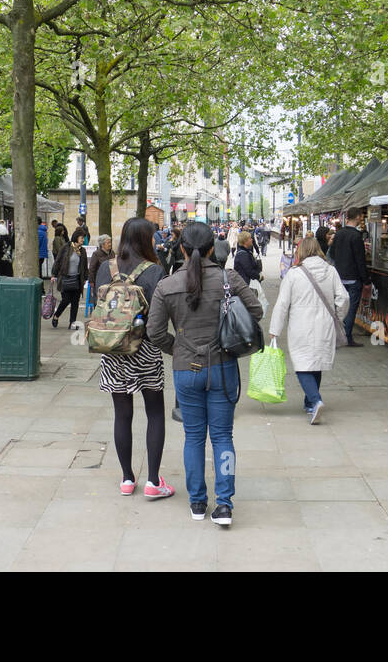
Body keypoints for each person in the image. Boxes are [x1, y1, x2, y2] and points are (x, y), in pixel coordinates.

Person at [147, 222, 262, 527]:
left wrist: (180, 347)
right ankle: (224, 505)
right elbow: (257, 311)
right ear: (213, 248)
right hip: (223, 368)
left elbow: (154, 332)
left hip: (186, 369)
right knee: (223, 436)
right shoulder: (229, 278)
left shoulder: (166, 285)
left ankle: (197, 501)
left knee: (193, 437)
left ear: (181, 248)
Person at [96, 218, 173, 499]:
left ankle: (127, 479)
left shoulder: (107, 267)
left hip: (114, 349)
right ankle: (153, 481)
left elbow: (99, 304)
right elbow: (159, 316)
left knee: (122, 415)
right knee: (154, 413)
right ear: (144, 239)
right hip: (146, 350)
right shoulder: (155, 271)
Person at [269, 236, 348, 424]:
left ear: (301, 251)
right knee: (316, 362)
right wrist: (338, 317)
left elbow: (282, 304)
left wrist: (275, 330)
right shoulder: (331, 271)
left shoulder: (293, 274)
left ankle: (315, 400)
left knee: (302, 364)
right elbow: (343, 298)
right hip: (325, 325)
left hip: (300, 326)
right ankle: (309, 403)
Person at [328, 207, 371, 347]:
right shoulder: (356, 236)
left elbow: (332, 253)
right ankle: (346, 336)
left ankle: (336, 334)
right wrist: (366, 280)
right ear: (358, 217)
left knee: (339, 307)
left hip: (340, 277)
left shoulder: (339, 234)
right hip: (353, 278)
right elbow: (360, 260)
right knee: (351, 308)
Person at [51, 232, 88, 328]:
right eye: (81, 238)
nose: (83, 240)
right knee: (66, 300)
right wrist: (54, 274)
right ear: (76, 238)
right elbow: (58, 261)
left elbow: (84, 266)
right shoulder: (66, 248)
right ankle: (56, 316)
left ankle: (72, 322)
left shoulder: (82, 251)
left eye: (83, 238)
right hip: (65, 278)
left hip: (77, 279)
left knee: (75, 302)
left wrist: (85, 278)